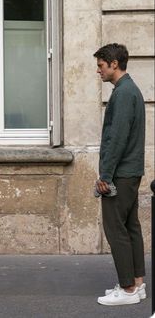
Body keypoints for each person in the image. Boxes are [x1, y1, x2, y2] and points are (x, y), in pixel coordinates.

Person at [93, 43, 146, 306]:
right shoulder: (130, 90)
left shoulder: (124, 93)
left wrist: (105, 174)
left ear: (114, 64)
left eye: (101, 65)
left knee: (116, 229)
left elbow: (117, 138)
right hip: (130, 171)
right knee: (130, 227)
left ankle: (127, 290)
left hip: (121, 173)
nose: (98, 71)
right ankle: (137, 283)